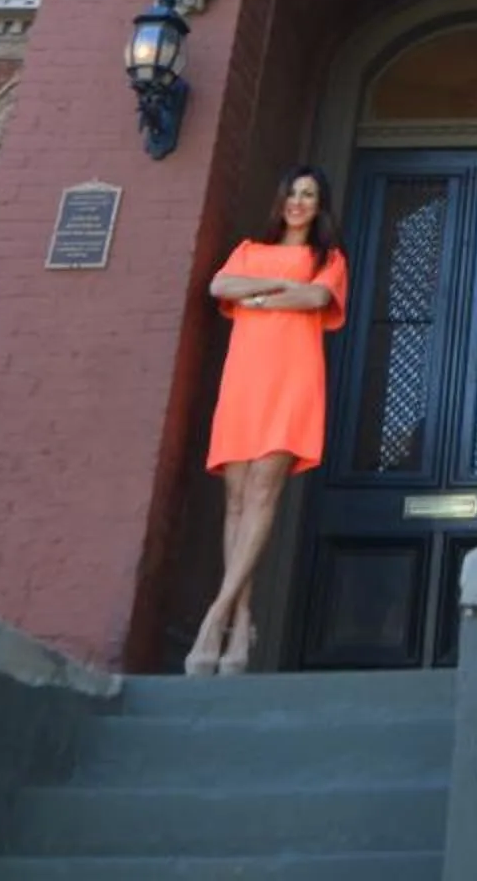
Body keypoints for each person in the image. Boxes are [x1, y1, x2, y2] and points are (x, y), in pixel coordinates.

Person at [184, 163, 349, 676]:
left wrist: (256, 296)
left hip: (293, 379)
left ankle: (215, 616)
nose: (299, 202)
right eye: (292, 193)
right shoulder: (249, 249)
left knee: (261, 493)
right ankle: (241, 621)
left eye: (309, 194)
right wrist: (281, 289)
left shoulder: (328, 258)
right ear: (281, 201)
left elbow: (317, 296)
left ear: (320, 207)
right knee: (235, 499)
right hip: (245, 380)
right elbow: (220, 285)